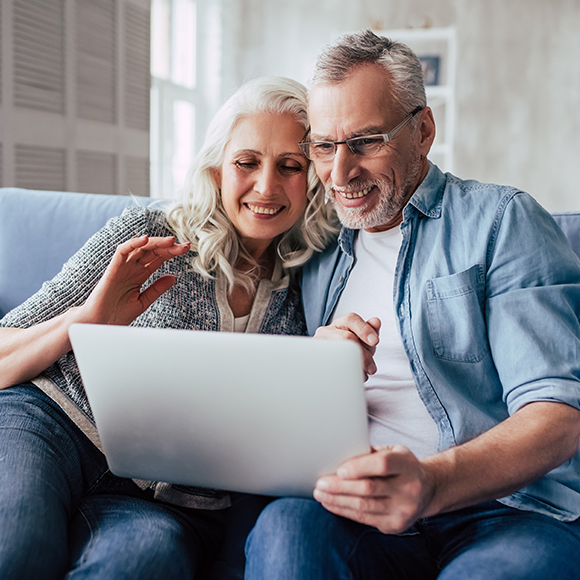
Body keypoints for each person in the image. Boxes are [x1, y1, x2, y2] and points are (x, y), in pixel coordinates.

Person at [244, 30, 580, 580]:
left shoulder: (502, 222)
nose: (340, 173)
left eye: (366, 141)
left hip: (505, 512)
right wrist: (315, 367)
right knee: (285, 528)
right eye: (324, 146)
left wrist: (433, 484)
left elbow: (556, 416)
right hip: (359, 510)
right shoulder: (315, 242)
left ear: (423, 131)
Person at [0, 76, 337, 580]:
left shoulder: (308, 287)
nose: (266, 186)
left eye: (290, 166)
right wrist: (86, 321)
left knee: (142, 563)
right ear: (217, 168)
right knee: (19, 548)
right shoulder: (148, 238)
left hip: (161, 499)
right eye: (247, 162)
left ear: (310, 180)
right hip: (50, 425)